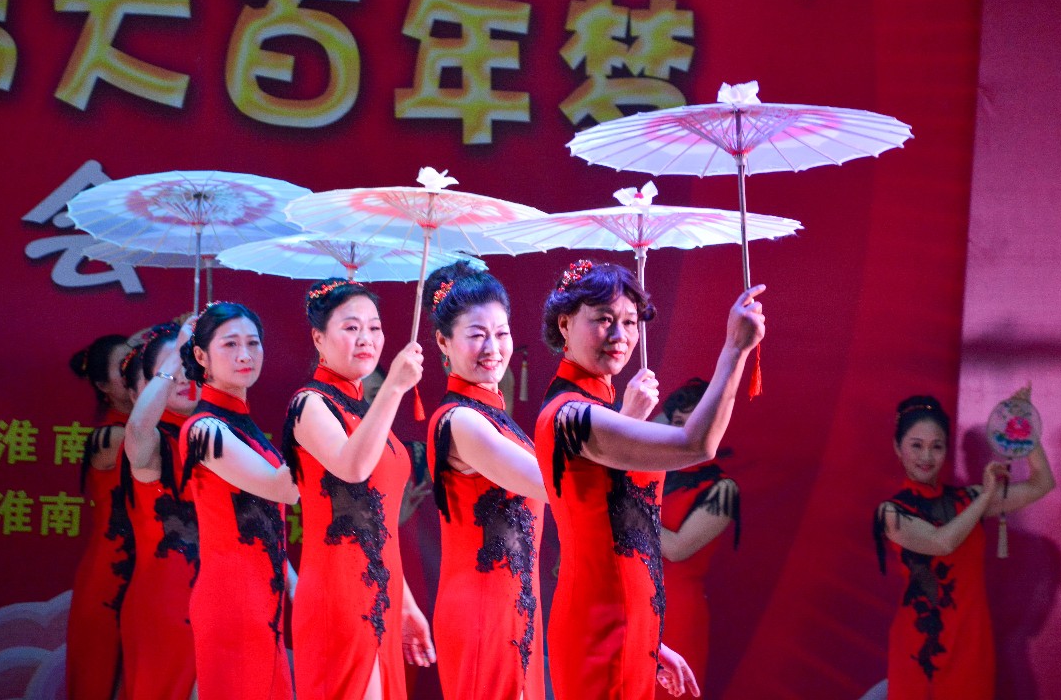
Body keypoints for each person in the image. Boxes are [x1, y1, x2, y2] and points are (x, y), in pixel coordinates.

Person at [533, 260, 765, 700]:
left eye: (629, 321)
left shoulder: (594, 412)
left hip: (629, 624)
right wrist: (734, 350)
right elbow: (696, 444)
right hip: (600, 629)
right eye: (604, 319)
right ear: (565, 324)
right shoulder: (572, 416)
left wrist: (650, 639)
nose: (620, 335)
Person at [280, 278, 434, 700]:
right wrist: (394, 387)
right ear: (319, 338)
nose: (367, 338)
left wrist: (405, 604)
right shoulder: (309, 403)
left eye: (375, 327)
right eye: (351, 327)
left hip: (381, 589)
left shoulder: (364, 410)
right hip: (338, 593)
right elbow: (352, 467)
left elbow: (377, 523)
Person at [874, 395, 1055, 700]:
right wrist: (984, 498)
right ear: (897, 448)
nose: (926, 456)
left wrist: (1025, 428)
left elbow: (1042, 484)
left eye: (937, 446)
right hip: (920, 645)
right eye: (916, 445)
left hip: (971, 642)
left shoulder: (966, 500)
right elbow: (941, 542)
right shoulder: (892, 511)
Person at [422, 262, 548, 700]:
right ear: (443, 342)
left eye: (502, 332)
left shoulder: (494, 417)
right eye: (477, 334)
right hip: (483, 612)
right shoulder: (461, 420)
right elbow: (552, 484)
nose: (493, 348)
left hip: (516, 606)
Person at [179, 302, 299, 700]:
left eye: (253, 342)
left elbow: (264, 518)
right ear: (201, 356)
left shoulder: (241, 423)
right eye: (230, 344)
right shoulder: (204, 429)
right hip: (233, 598)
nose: (245, 354)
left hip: (263, 595)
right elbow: (283, 489)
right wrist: (317, 426)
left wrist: (294, 585)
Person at [120, 320, 201, 699]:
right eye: (173, 368)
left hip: (228, 599)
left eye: (192, 364)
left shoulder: (224, 436)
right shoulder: (152, 442)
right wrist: (176, 357)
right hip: (167, 603)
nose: (185, 377)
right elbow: (137, 427)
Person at [656, 379, 740, 699]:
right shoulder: (656, 473)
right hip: (630, 598)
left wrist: (631, 511)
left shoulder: (723, 489)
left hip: (676, 610)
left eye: (691, 422)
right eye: (677, 422)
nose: (681, 431)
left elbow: (677, 549)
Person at [66, 332, 135, 700]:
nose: (134, 370)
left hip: (152, 574)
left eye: (136, 361)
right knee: (100, 681)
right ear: (102, 386)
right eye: (123, 368)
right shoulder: (110, 437)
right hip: (111, 577)